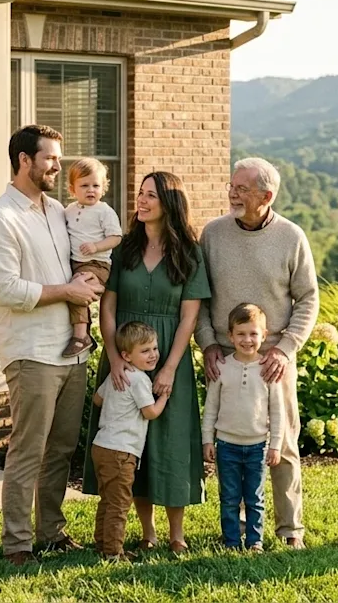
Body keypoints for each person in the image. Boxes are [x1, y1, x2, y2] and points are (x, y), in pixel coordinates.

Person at [0, 124, 105, 566]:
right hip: (31, 352)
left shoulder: (58, 211)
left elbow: (81, 260)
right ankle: (17, 544)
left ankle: (51, 531)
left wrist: (88, 283)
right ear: (24, 160)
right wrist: (67, 291)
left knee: (62, 448)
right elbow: (7, 289)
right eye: (49, 157)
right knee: (28, 449)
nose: (57, 166)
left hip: (73, 350)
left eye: (58, 158)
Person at [83, 171, 211, 554]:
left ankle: (176, 534)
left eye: (150, 195)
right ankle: (146, 532)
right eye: (139, 193)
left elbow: (189, 316)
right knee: (129, 440)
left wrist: (169, 367)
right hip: (124, 355)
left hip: (171, 354)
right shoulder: (124, 249)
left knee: (170, 440)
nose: (140, 200)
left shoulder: (189, 253)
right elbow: (107, 305)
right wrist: (113, 358)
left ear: (169, 202)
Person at [196, 157, 319, 550]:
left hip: (273, 359)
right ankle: (241, 530)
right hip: (224, 360)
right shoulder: (212, 233)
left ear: (266, 196)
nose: (231, 192)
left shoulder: (291, 236)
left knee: (281, 444)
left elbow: (309, 299)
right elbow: (198, 297)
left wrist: (285, 349)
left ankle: (289, 529)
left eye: (241, 188)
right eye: (232, 185)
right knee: (230, 441)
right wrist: (208, 343)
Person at [202, 303, 285, 552]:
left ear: (264, 335)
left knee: (254, 498)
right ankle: (230, 541)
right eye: (240, 334)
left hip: (257, 446)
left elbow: (277, 411)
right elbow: (211, 408)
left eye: (253, 334)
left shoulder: (268, 370)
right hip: (226, 446)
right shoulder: (223, 368)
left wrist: (276, 445)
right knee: (229, 498)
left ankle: (254, 541)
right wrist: (208, 440)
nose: (247, 340)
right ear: (230, 336)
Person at [90, 321, 171, 562]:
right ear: (126, 355)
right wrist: (164, 396)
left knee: (108, 498)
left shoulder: (119, 373)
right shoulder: (139, 380)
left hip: (101, 445)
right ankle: (113, 552)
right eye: (145, 350)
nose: (153, 355)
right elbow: (150, 412)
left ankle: (102, 543)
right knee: (120, 503)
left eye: (154, 348)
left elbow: (97, 399)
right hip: (121, 451)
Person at [61, 158, 123, 357]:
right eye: (84, 185)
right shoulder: (68, 211)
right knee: (72, 290)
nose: (91, 190)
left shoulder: (104, 211)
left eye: (96, 185)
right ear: (72, 189)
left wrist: (96, 246)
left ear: (103, 188)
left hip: (97, 263)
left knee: (78, 289)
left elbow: (115, 237)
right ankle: (84, 333)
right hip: (75, 262)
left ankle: (81, 336)